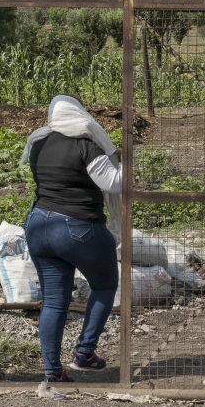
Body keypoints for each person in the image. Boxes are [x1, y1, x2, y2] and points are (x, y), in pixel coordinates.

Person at [21, 95, 123, 382]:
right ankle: (84, 354)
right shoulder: (84, 144)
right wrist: (127, 164)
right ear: (80, 114)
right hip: (78, 227)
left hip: (39, 226)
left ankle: (53, 372)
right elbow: (113, 183)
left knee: (54, 301)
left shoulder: (38, 143)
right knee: (104, 285)